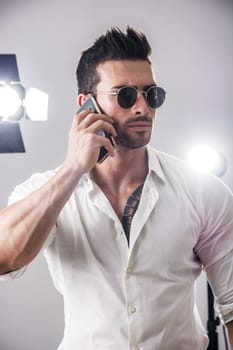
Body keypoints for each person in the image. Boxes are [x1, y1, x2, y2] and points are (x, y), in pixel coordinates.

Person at [0, 26, 233, 350]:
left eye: (151, 94)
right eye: (124, 95)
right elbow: (4, 256)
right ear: (86, 104)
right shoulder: (43, 189)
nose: (142, 108)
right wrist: (72, 170)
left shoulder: (203, 191)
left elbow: (232, 304)